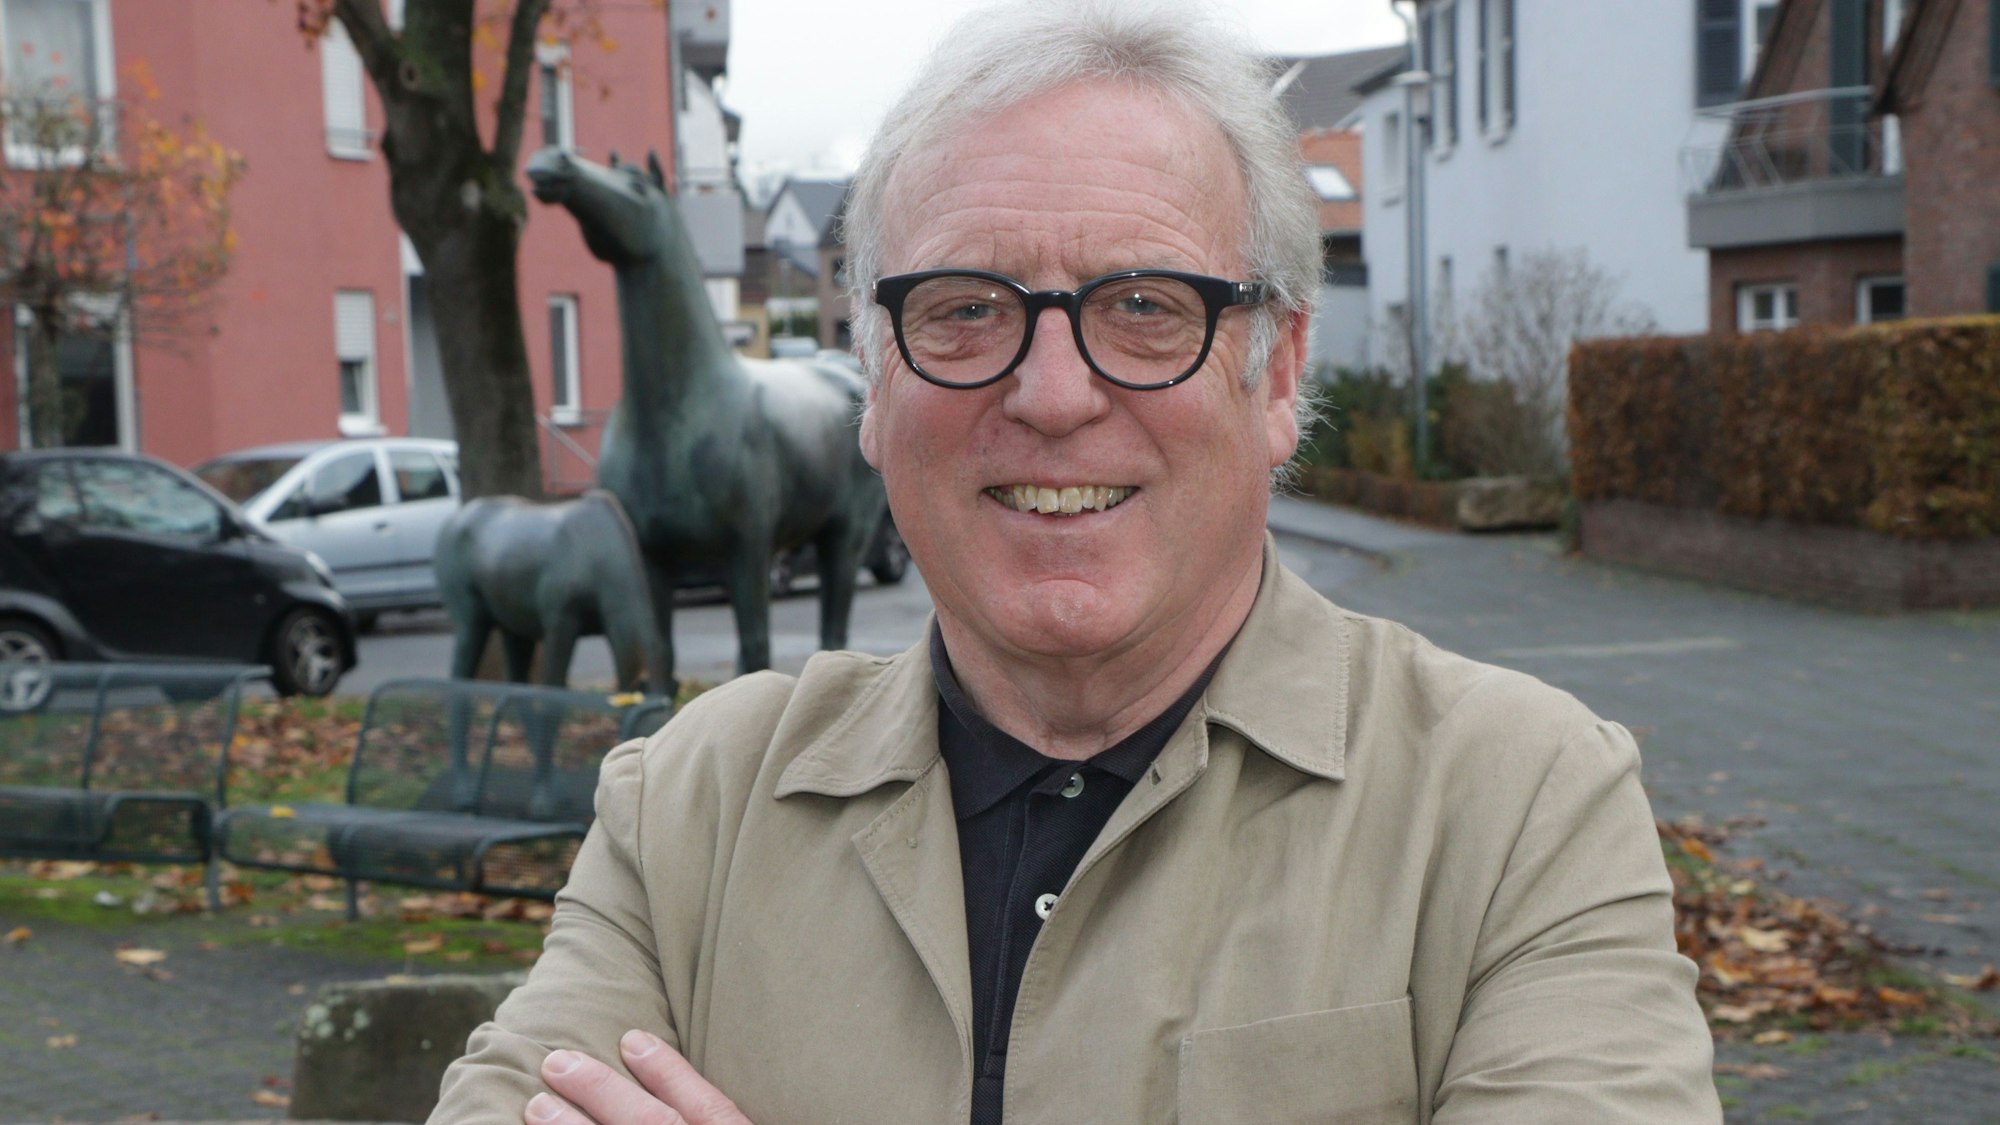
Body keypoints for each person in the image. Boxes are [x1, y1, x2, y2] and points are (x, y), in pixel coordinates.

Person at [432, 2, 1721, 1121]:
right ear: (872, 385)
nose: (1053, 394)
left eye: (1146, 307)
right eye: (965, 310)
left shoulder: (1514, 809)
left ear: (1275, 372)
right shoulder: (690, 812)